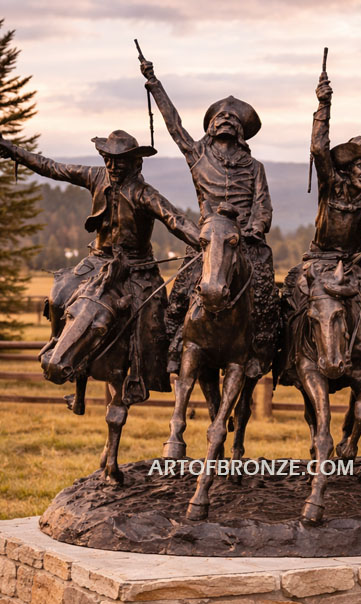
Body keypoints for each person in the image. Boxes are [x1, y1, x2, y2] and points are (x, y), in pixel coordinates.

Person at [0, 129, 199, 404]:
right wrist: (15, 152)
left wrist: (207, 240)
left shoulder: (144, 194)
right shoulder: (95, 176)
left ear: (135, 163)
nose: (112, 166)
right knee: (58, 297)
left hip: (137, 269)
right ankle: (57, 345)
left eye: (120, 161)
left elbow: (175, 219)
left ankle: (142, 377)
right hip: (98, 260)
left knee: (153, 327)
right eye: (108, 159)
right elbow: (52, 167)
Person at [139, 59, 279, 377]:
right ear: (211, 127)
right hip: (207, 241)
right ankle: (176, 348)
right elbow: (174, 126)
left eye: (233, 118)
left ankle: (260, 351)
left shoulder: (255, 167)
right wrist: (155, 84)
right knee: (181, 293)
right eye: (220, 117)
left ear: (241, 131)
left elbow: (263, 207)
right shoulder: (197, 156)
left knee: (265, 295)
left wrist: (255, 229)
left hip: (245, 241)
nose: (226, 120)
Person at [282, 70, 361, 398]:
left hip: (357, 267)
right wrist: (323, 105)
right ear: (347, 167)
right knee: (293, 308)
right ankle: (289, 361)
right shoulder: (330, 185)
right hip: (319, 262)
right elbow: (319, 149)